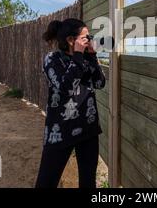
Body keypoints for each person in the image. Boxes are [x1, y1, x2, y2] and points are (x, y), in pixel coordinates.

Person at [35, 18, 106, 188]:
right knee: (46, 182)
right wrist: (79, 56)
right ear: (70, 40)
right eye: (85, 37)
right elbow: (66, 88)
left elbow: (99, 83)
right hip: (60, 130)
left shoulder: (87, 58)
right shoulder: (52, 59)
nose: (89, 39)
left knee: (88, 182)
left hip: (88, 129)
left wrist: (92, 55)